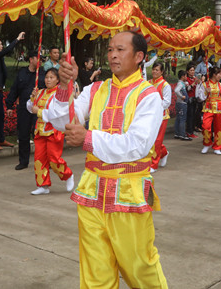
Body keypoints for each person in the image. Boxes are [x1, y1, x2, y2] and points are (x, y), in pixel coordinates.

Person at [42, 31, 167, 288]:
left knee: (139, 268)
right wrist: (65, 87)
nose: (112, 55)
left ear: (139, 56)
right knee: (95, 271)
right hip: (92, 191)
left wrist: (88, 138)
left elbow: (138, 145)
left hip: (128, 192)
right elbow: (60, 119)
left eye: (120, 50)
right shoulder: (96, 89)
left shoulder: (149, 96)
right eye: (110, 49)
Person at [27, 69, 74, 195]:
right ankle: (43, 185)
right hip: (40, 130)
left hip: (54, 130)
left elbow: (56, 113)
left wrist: (39, 112)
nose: (48, 80)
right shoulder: (41, 92)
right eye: (47, 77)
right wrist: (32, 97)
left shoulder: (59, 95)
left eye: (51, 77)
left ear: (58, 80)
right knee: (39, 159)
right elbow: (30, 107)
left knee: (53, 159)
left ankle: (67, 175)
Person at [0, 32, 26, 150]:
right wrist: (17, 39)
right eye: (0, 44)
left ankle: (1, 139)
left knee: (0, 116)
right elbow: (6, 51)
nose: (2, 46)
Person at [6, 50, 44, 170]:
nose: (40, 61)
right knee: (23, 135)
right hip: (24, 108)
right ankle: (23, 161)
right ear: (31, 59)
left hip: (38, 109)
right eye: (38, 58)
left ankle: (43, 160)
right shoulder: (22, 73)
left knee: (39, 135)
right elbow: (14, 89)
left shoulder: (42, 74)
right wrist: (9, 105)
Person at [196, 66, 221, 155]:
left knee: (219, 128)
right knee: (206, 126)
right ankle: (207, 143)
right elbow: (201, 98)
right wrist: (206, 91)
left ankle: (217, 146)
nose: (220, 76)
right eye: (219, 74)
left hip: (219, 108)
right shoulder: (205, 84)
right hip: (208, 107)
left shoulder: (220, 85)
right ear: (214, 74)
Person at [149, 62, 172, 172]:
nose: (154, 71)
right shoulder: (148, 83)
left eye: (157, 70)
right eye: (153, 69)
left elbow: (167, 102)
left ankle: (153, 164)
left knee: (157, 140)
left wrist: (155, 107)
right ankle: (164, 152)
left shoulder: (165, 85)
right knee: (150, 139)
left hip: (161, 116)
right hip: (149, 116)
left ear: (162, 72)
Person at [173, 70, 190, 141]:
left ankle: (177, 133)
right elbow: (176, 90)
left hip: (179, 103)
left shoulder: (182, 83)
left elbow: (187, 89)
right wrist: (181, 96)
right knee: (182, 119)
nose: (186, 77)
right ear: (183, 76)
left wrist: (187, 86)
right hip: (182, 104)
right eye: (186, 76)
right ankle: (182, 134)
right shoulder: (180, 84)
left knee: (178, 118)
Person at [185, 64, 199, 138]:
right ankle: (189, 131)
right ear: (187, 71)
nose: (192, 72)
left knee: (194, 116)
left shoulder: (195, 78)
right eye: (191, 70)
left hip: (195, 99)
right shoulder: (186, 79)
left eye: (193, 70)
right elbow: (188, 89)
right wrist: (194, 83)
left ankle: (192, 130)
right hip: (189, 100)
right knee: (190, 116)